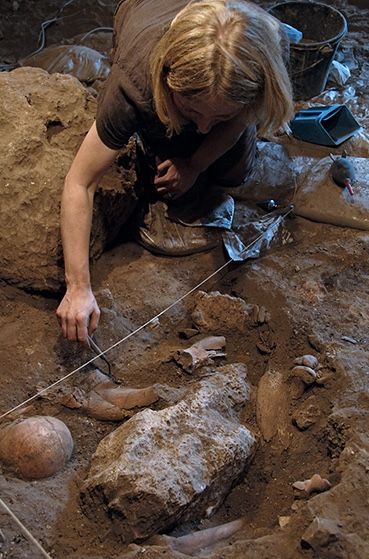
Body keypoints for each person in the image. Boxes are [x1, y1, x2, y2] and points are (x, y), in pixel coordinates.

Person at [56, 0, 293, 344]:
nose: (203, 126)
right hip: (145, 16)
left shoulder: (268, 50)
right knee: (158, 141)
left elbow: (242, 117)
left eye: (220, 117)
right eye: (193, 110)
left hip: (206, 93)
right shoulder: (133, 83)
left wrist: (194, 165)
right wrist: (78, 287)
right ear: (168, 81)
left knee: (234, 170)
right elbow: (81, 181)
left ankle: (201, 123)